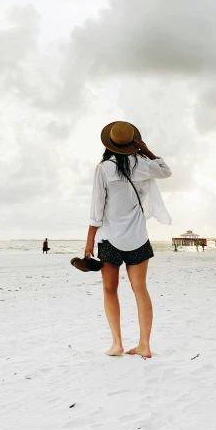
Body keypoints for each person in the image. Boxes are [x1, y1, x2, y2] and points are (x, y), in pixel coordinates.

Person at [85, 121, 172, 358]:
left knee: (109, 290)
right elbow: (165, 170)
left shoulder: (103, 169)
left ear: (109, 143)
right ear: (133, 142)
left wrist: (89, 241)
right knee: (140, 289)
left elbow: (97, 209)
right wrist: (146, 150)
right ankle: (145, 345)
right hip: (138, 238)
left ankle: (117, 343)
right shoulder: (143, 165)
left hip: (110, 239)